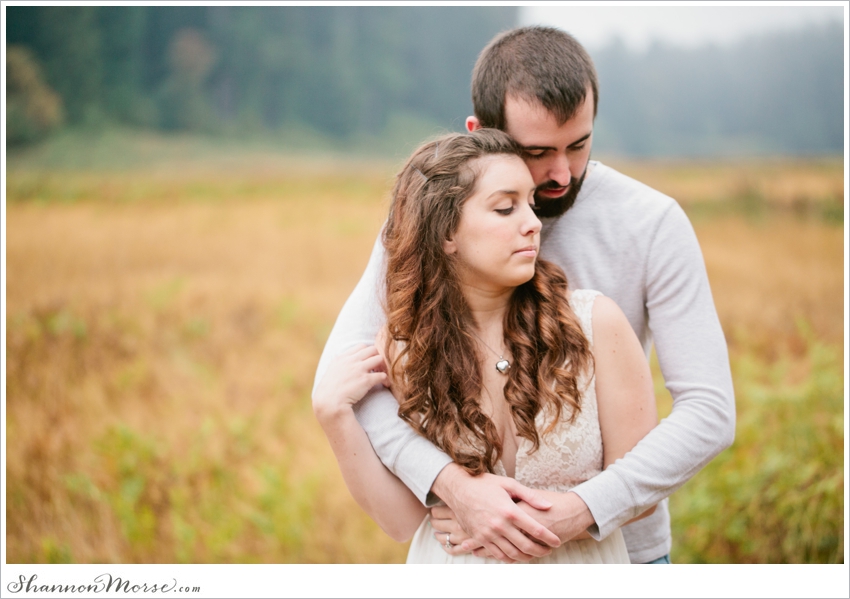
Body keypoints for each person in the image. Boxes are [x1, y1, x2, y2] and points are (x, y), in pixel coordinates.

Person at [313, 26, 735, 564]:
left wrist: (581, 510)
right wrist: (456, 487)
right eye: (537, 151)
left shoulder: (651, 223)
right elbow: (355, 377)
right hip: (464, 547)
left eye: (578, 144)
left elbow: (710, 410)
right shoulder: (430, 220)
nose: (560, 174)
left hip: (623, 550)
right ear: (481, 133)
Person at [313, 128, 658, 563]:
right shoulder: (406, 349)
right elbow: (401, 521)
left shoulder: (594, 324)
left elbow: (641, 487)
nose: (533, 222)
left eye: (530, 203)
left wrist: (545, 521)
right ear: (445, 234)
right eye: (505, 207)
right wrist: (334, 418)